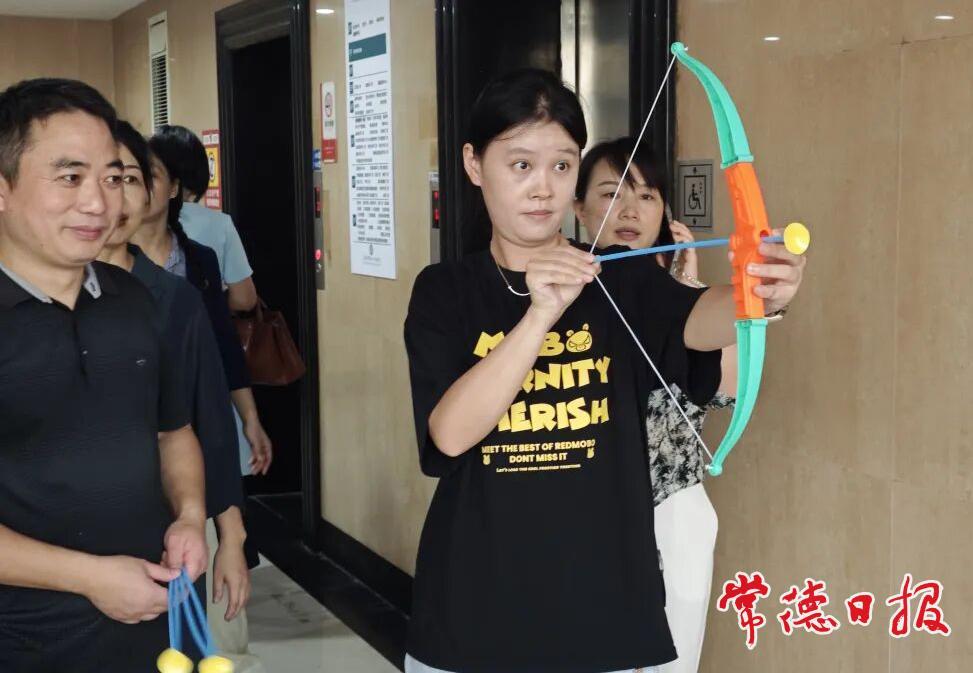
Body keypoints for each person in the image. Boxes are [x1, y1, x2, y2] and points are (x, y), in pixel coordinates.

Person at [403, 69, 805, 673]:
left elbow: (701, 319)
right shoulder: (444, 291)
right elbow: (450, 435)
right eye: (520, 165)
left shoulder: (620, 275)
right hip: (473, 610)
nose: (543, 188)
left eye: (562, 166)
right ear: (474, 164)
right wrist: (539, 315)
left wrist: (763, 293)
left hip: (602, 613)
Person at [0, 78, 207, 672]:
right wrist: (91, 578)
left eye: (112, 178)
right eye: (70, 177)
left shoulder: (135, 301)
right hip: (28, 638)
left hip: (159, 619)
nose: (99, 203)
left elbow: (173, 433)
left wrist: (190, 516)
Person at [574, 138, 737, 673]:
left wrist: (689, 287)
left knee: (674, 661)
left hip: (673, 504)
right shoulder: (556, 296)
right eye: (611, 193)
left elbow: (727, 390)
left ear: (664, 212)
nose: (629, 211)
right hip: (587, 507)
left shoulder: (685, 297)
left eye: (646, 196)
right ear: (579, 208)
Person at [96, 120, 257, 651]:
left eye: (128, 180)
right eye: (97, 179)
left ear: (153, 193)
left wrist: (230, 536)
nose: (112, 198)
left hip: (171, 523)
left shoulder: (175, 299)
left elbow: (209, 423)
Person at [129, 139, 273, 478]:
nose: (141, 189)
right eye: (129, 179)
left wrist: (250, 418)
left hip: (197, 411)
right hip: (132, 423)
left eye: (151, 176)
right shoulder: (103, 262)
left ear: (174, 188)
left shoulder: (198, 260)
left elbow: (224, 342)